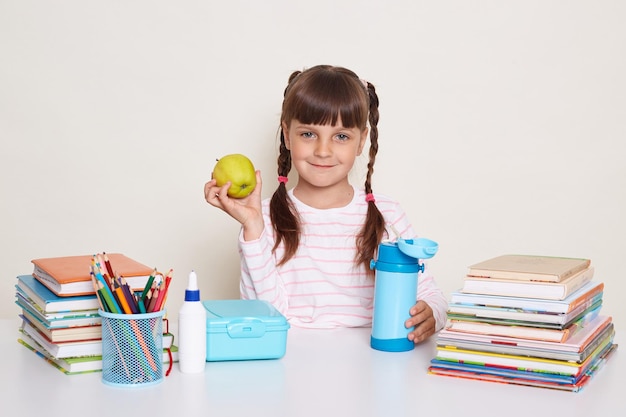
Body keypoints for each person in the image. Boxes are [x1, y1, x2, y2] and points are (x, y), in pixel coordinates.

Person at [204, 65, 448, 343]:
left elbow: (430, 293)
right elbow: (266, 317)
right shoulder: (264, 220)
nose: (322, 150)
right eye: (308, 134)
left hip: (372, 365)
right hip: (292, 365)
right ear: (287, 134)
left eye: (341, 136)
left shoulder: (387, 215)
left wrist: (432, 313)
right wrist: (253, 227)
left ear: (361, 142)